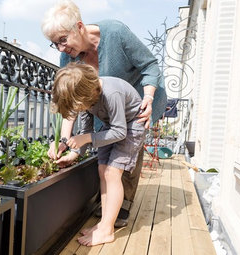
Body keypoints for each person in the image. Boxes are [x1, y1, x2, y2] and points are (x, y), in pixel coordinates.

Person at [41, 0, 167, 228]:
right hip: (104, 102)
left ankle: (122, 205)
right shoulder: (68, 57)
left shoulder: (115, 33)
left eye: (62, 40)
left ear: (79, 27)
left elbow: (150, 65)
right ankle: (110, 199)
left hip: (139, 99)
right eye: (54, 44)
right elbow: (73, 103)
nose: (60, 48)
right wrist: (64, 142)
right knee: (108, 158)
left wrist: (148, 97)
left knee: (127, 147)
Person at [51, 62, 146, 246]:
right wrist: (73, 152)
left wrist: (86, 138)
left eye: (78, 107)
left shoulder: (111, 93)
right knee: (103, 170)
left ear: (86, 93)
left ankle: (108, 230)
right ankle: (104, 223)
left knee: (112, 173)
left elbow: (120, 132)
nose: (78, 111)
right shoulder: (87, 97)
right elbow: (85, 128)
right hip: (112, 126)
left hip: (131, 126)